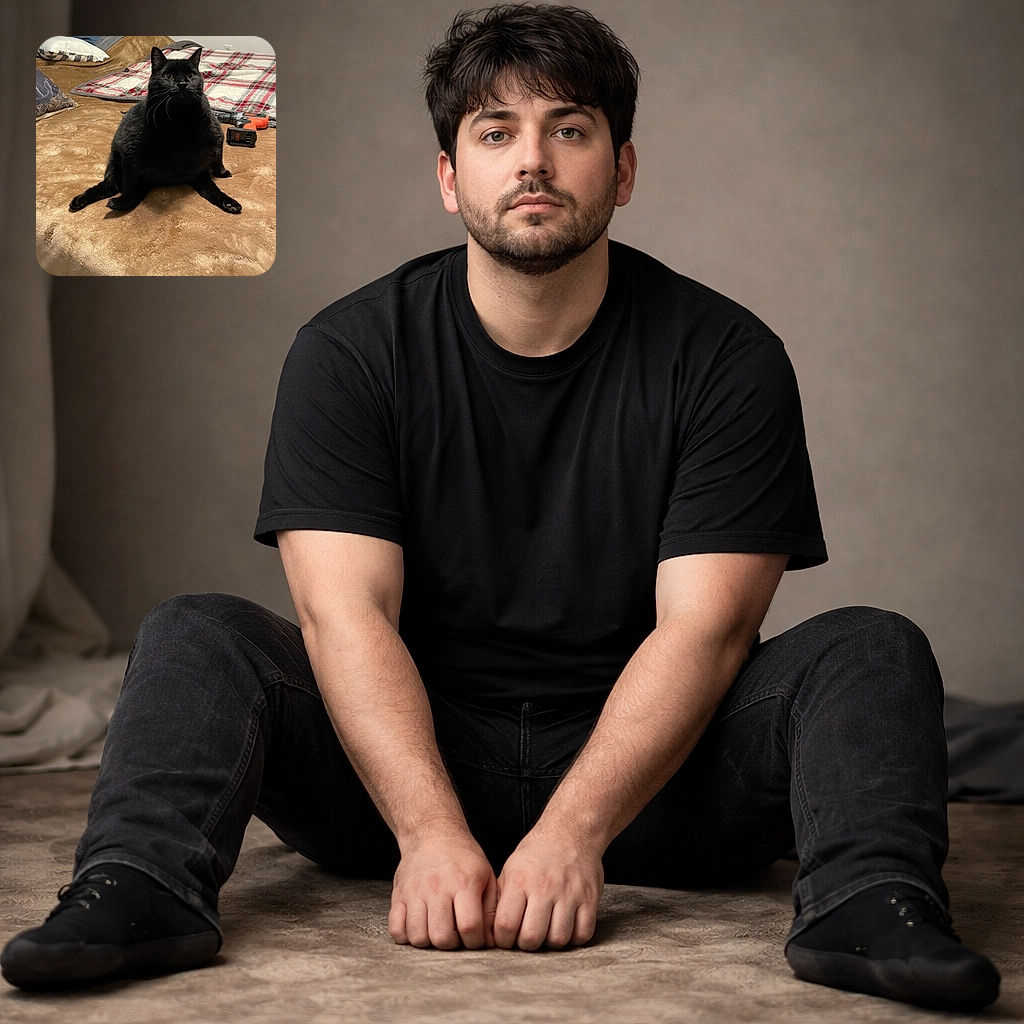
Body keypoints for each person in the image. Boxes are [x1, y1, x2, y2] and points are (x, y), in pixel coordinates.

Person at [1, 4, 1000, 1010]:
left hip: (658, 775)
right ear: (449, 178)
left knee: (871, 645)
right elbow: (346, 616)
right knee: (197, 632)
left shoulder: (725, 356)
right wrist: (429, 834)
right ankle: (136, 889)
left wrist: (573, 835)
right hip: (406, 762)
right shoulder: (350, 352)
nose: (534, 161)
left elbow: (709, 629)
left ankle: (870, 903)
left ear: (622, 170)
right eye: (495, 133)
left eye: (569, 129)